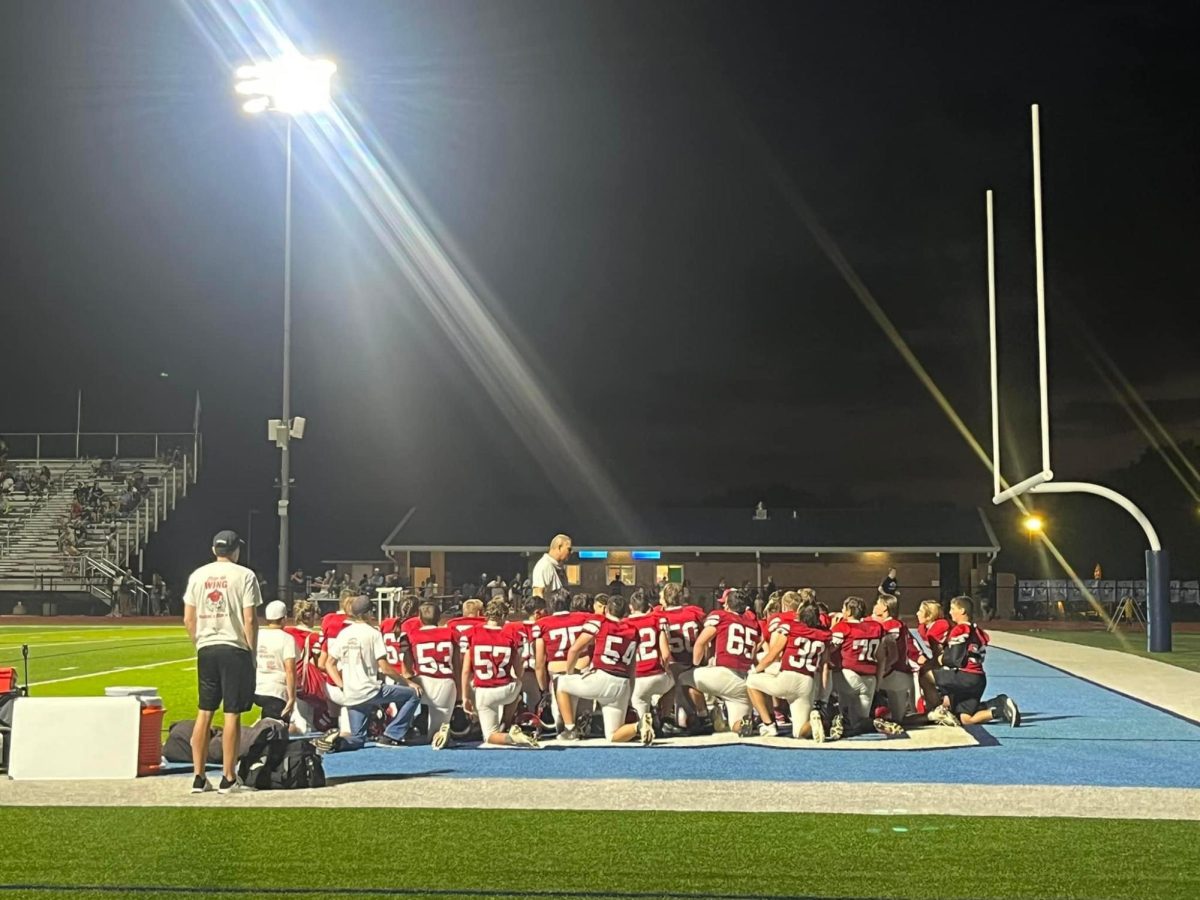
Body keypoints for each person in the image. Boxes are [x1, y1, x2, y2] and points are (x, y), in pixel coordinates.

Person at [183, 529, 261, 794]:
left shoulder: (197, 575)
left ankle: (198, 775)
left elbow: (188, 619)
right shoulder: (245, 575)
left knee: (204, 711)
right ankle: (228, 776)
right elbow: (250, 619)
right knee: (232, 713)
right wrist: (252, 652)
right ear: (236, 549)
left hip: (206, 646)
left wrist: (200, 642)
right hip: (234, 646)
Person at [319, 595, 422, 751]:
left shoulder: (344, 633)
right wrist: (408, 682)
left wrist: (342, 685)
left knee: (357, 739)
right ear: (368, 612)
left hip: (352, 692)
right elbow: (384, 667)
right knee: (413, 695)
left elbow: (329, 663)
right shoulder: (372, 633)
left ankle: (335, 743)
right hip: (371, 690)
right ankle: (391, 735)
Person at [555, 593, 654, 745]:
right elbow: (632, 666)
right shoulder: (633, 631)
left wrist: (569, 673)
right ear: (625, 613)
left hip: (601, 678)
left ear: (606, 610)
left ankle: (570, 730)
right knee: (613, 735)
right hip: (623, 683)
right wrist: (629, 693)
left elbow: (574, 650)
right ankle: (639, 726)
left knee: (561, 683)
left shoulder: (600, 621)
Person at [928, 596, 1020, 728]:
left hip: (965, 676)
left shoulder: (960, 629)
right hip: (978, 678)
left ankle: (935, 711)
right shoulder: (977, 631)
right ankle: (1000, 708)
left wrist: (940, 658)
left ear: (962, 611)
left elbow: (954, 660)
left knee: (925, 675)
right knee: (966, 719)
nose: (950, 612)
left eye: (953, 609)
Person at [746, 601, 831, 740]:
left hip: (788, 677)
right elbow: (824, 666)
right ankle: (817, 722)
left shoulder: (790, 627)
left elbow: (772, 656)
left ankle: (769, 724)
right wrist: (822, 694)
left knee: (751, 681)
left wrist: (756, 670)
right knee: (799, 732)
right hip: (807, 683)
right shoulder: (824, 634)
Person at [459, 598, 538, 747]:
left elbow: (465, 671)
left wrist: (465, 697)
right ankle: (507, 724)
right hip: (505, 690)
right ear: (503, 616)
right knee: (518, 683)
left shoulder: (472, 633)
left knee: (489, 736)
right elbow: (519, 672)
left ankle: (511, 737)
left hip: (482, 691)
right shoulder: (511, 634)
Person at [828, 596, 903, 739]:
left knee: (822, 686)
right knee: (860, 721)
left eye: (844, 609)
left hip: (849, 675)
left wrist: (832, 627)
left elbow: (827, 649)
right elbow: (882, 658)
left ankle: (837, 719)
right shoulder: (876, 627)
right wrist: (878, 682)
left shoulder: (843, 627)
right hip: (870, 678)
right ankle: (870, 723)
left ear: (849, 611)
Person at [689, 589, 760, 735]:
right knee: (736, 724)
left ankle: (704, 717)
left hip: (724, 673)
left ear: (727, 605)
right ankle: (743, 724)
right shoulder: (752, 622)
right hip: (744, 680)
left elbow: (700, 643)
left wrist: (696, 666)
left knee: (683, 679)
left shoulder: (721, 616)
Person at [403, 599, 459, 750]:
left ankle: (403, 729)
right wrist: (459, 689)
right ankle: (437, 734)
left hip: (422, 682)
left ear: (419, 618)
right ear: (439, 617)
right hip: (445, 682)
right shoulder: (450, 632)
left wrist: (408, 680)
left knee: (400, 697)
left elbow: (406, 664)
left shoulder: (412, 634)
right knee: (436, 733)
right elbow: (457, 663)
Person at [658, 582, 707, 734]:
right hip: (692, 661)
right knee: (686, 709)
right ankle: (704, 716)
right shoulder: (694, 612)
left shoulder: (659, 615)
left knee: (675, 700)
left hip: (671, 663)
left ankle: (662, 719)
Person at [626, 589, 673, 730]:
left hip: (635, 679)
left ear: (631, 607)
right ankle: (664, 716)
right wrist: (666, 670)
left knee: (641, 723)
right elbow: (665, 654)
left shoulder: (625, 623)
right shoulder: (657, 620)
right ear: (649, 606)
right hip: (656, 675)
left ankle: (645, 722)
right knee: (676, 682)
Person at [253, 600, 296, 723]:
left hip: (257, 687)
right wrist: (292, 698)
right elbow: (290, 670)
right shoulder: (287, 639)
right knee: (276, 728)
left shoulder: (258, 634)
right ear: (284, 619)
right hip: (276, 690)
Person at [531, 534, 572, 598]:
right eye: (569, 549)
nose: (571, 552)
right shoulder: (544, 565)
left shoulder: (560, 567)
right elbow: (537, 595)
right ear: (559, 547)